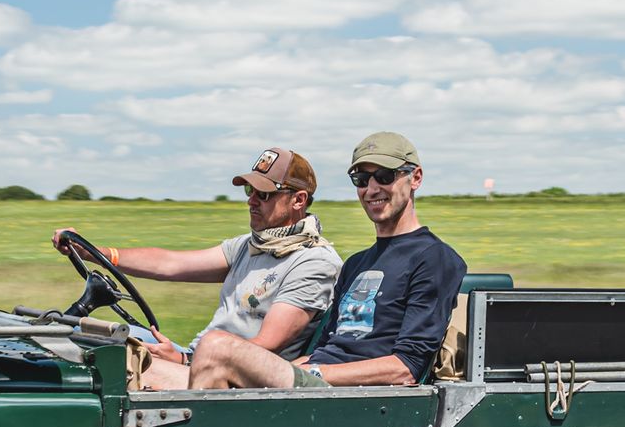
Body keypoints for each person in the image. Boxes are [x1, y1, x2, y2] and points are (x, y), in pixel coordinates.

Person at [189, 132, 466, 389]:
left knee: (217, 346)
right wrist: (276, 369)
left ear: (415, 178)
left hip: (356, 398)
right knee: (156, 369)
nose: (371, 189)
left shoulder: (433, 258)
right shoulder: (357, 263)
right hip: (317, 381)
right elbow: (322, 350)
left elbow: (405, 367)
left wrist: (310, 375)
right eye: (361, 179)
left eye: (384, 176)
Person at [52, 148, 341, 389]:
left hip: (235, 382)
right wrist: (94, 252)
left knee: (113, 369)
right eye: (250, 190)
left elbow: (265, 347)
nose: (251, 200)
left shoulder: (313, 262)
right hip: (199, 359)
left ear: (298, 200)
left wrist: (183, 361)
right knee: (84, 341)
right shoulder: (249, 246)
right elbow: (170, 264)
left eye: (264, 194)